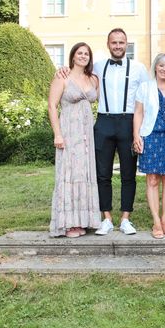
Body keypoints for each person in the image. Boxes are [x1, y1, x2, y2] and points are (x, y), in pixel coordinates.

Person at [57, 28, 148, 236]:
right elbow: (76, 74)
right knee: (102, 173)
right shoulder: (97, 67)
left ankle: (126, 218)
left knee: (128, 173)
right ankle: (106, 217)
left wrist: (138, 132)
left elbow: (143, 102)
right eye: (114, 42)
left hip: (128, 121)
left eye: (121, 42)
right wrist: (62, 70)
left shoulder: (139, 69)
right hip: (104, 122)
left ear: (127, 44)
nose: (117, 46)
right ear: (108, 45)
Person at [48, 42, 102, 237]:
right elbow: (52, 106)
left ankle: (83, 220)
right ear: (72, 56)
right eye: (79, 53)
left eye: (86, 53)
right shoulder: (62, 77)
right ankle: (69, 223)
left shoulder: (93, 79)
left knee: (84, 174)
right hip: (69, 132)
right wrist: (58, 134)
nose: (83, 56)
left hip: (87, 135)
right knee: (69, 174)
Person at [132, 53, 165, 239]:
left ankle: (164, 219)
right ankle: (155, 221)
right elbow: (138, 112)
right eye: (161, 65)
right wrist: (136, 136)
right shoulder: (145, 87)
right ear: (155, 67)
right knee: (152, 179)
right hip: (151, 136)